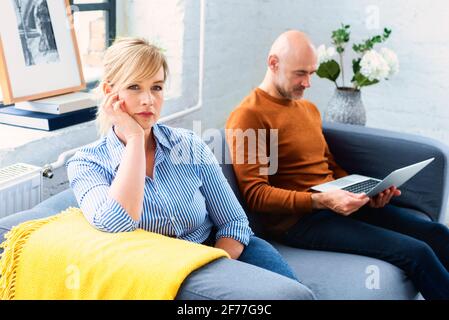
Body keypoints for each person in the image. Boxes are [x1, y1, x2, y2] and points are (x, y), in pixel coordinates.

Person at [67, 37, 314, 300]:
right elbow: (115, 223)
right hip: (169, 275)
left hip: (223, 251)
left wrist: (221, 267)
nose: (149, 99)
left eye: (157, 87)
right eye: (135, 87)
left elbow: (234, 222)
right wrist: (136, 141)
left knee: (297, 296)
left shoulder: (190, 144)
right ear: (109, 92)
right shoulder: (87, 163)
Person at [226, 30, 449, 300]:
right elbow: (256, 194)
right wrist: (321, 201)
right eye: (300, 73)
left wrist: (365, 193)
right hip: (301, 222)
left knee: (437, 234)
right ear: (273, 63)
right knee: (416, 252)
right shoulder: (248, 116)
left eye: (312, 73)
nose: (308, 82)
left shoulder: (308, 109)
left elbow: (329, 167)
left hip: (336, 203)